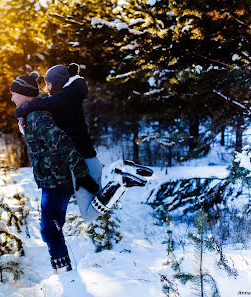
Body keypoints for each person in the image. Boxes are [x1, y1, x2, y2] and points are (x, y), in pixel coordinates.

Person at [14, 64, 153, 221]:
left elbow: (42, 104)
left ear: (56, 84)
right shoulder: (67, 100)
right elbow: (45, 101)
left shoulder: (63, 100)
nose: (47, 88)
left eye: (49, 84)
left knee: (88, 215)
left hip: (83, 163)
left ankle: (120, 182)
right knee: (101, 201)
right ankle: (122, 168)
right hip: (90, 159)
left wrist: (22, 109)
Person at [10, 72, 100, 273]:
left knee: (50, 230)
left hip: (56, 182)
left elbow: (63, 143)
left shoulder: (37, 117)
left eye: (14, 93)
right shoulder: (32, 115)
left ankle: (65, 275)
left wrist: (82, 173)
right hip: (51, 180)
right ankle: (64, 271)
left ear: (24, 94)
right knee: (52, 229)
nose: (11, 98)